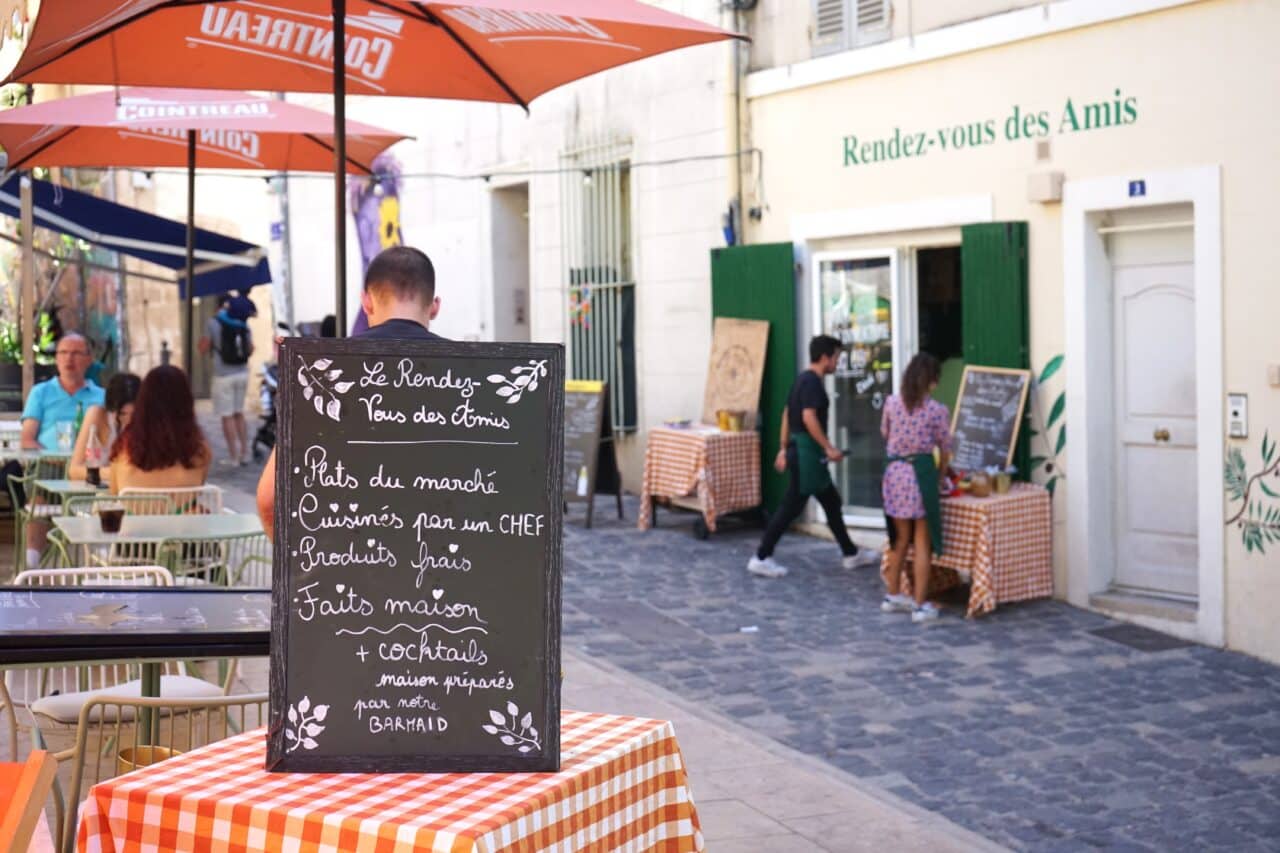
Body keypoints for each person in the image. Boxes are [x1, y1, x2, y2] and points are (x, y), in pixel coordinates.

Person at [256, 246, 443, 534]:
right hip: (449, 569)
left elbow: (270, 500)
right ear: (434, 306)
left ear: (366, 303)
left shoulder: (318, 372)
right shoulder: (480, 378)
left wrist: (297, 568)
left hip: (344, 567)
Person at [747, 335, 879, 578]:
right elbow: (808, 417)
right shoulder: (813, 384)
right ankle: (762, 556)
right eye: (836, 358)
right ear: (825, 358)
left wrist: (783, 447)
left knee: (831, 502)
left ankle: (850, 553)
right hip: (807, 455)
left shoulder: (800, 381)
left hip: (801, 451)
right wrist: (828, 447)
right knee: (790, 507)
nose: (837, 363)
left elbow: (787, 414)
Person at [11, 333, 105, 568]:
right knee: (40, 493)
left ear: (88, 359)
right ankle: (32, 565)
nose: (68, 358)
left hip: (88, 470)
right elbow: (27, 439)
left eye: (75, 353)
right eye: (63, 353)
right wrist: (57, 460)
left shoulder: (101, 397)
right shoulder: (41, 392)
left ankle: (103, 560)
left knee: (110, 486)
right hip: (49, 466)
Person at [880, 353, 952, 624]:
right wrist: (941, 475)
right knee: (923, 542)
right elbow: (945, 448)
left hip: (895, 474)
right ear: (931, 382)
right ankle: (921, 605)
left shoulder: (891, 404)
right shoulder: (936, 410)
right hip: (920, 476)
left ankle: (893, 594)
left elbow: (885, 434)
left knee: (899, 539)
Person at [108, 365, 212, 493]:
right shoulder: (200, 452)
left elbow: (113, 495)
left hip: (133, 513)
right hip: (182, 512)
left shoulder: (123, 447)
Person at [199, 292, 255, 466]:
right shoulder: (243, 323)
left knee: (227, 416)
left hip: (223, 375)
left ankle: (233, 456)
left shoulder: (213, 323)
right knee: (239, 413)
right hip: (242, 373)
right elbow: (251, 348)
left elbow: (204, 347)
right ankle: (246, 452)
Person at [68, 372, 142, 482]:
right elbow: (74, 470)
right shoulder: (97, 415)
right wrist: (115, 473)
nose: (129, 421)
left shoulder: (147, 421)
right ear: (111, 409)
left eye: (135, 414)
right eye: (122, 414)